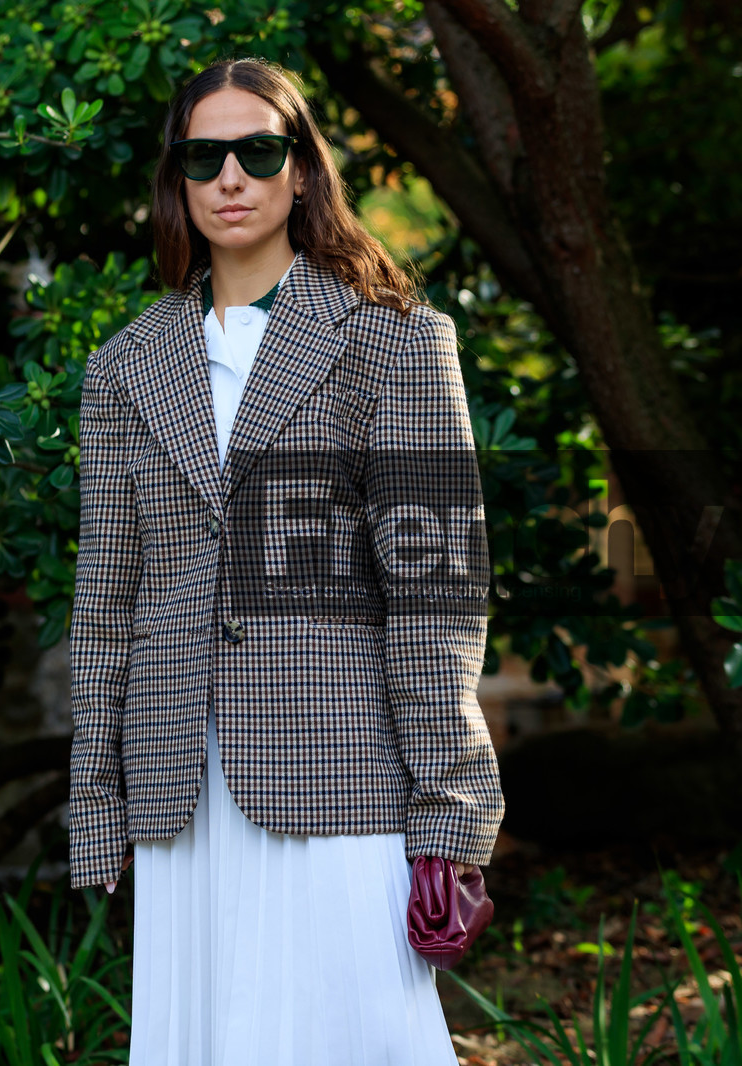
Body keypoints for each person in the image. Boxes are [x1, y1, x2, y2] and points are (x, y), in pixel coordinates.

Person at [67, 55, 504, 1065]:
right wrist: (99, 800)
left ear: (301, 171)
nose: (230, 176)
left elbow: (435, 595)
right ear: (176, 177)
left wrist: (449, 809)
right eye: (203, 154)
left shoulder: (395, 344)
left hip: (342, 771)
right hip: (179, 782)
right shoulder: (124, 367)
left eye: (257, 151)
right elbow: (104, 600)